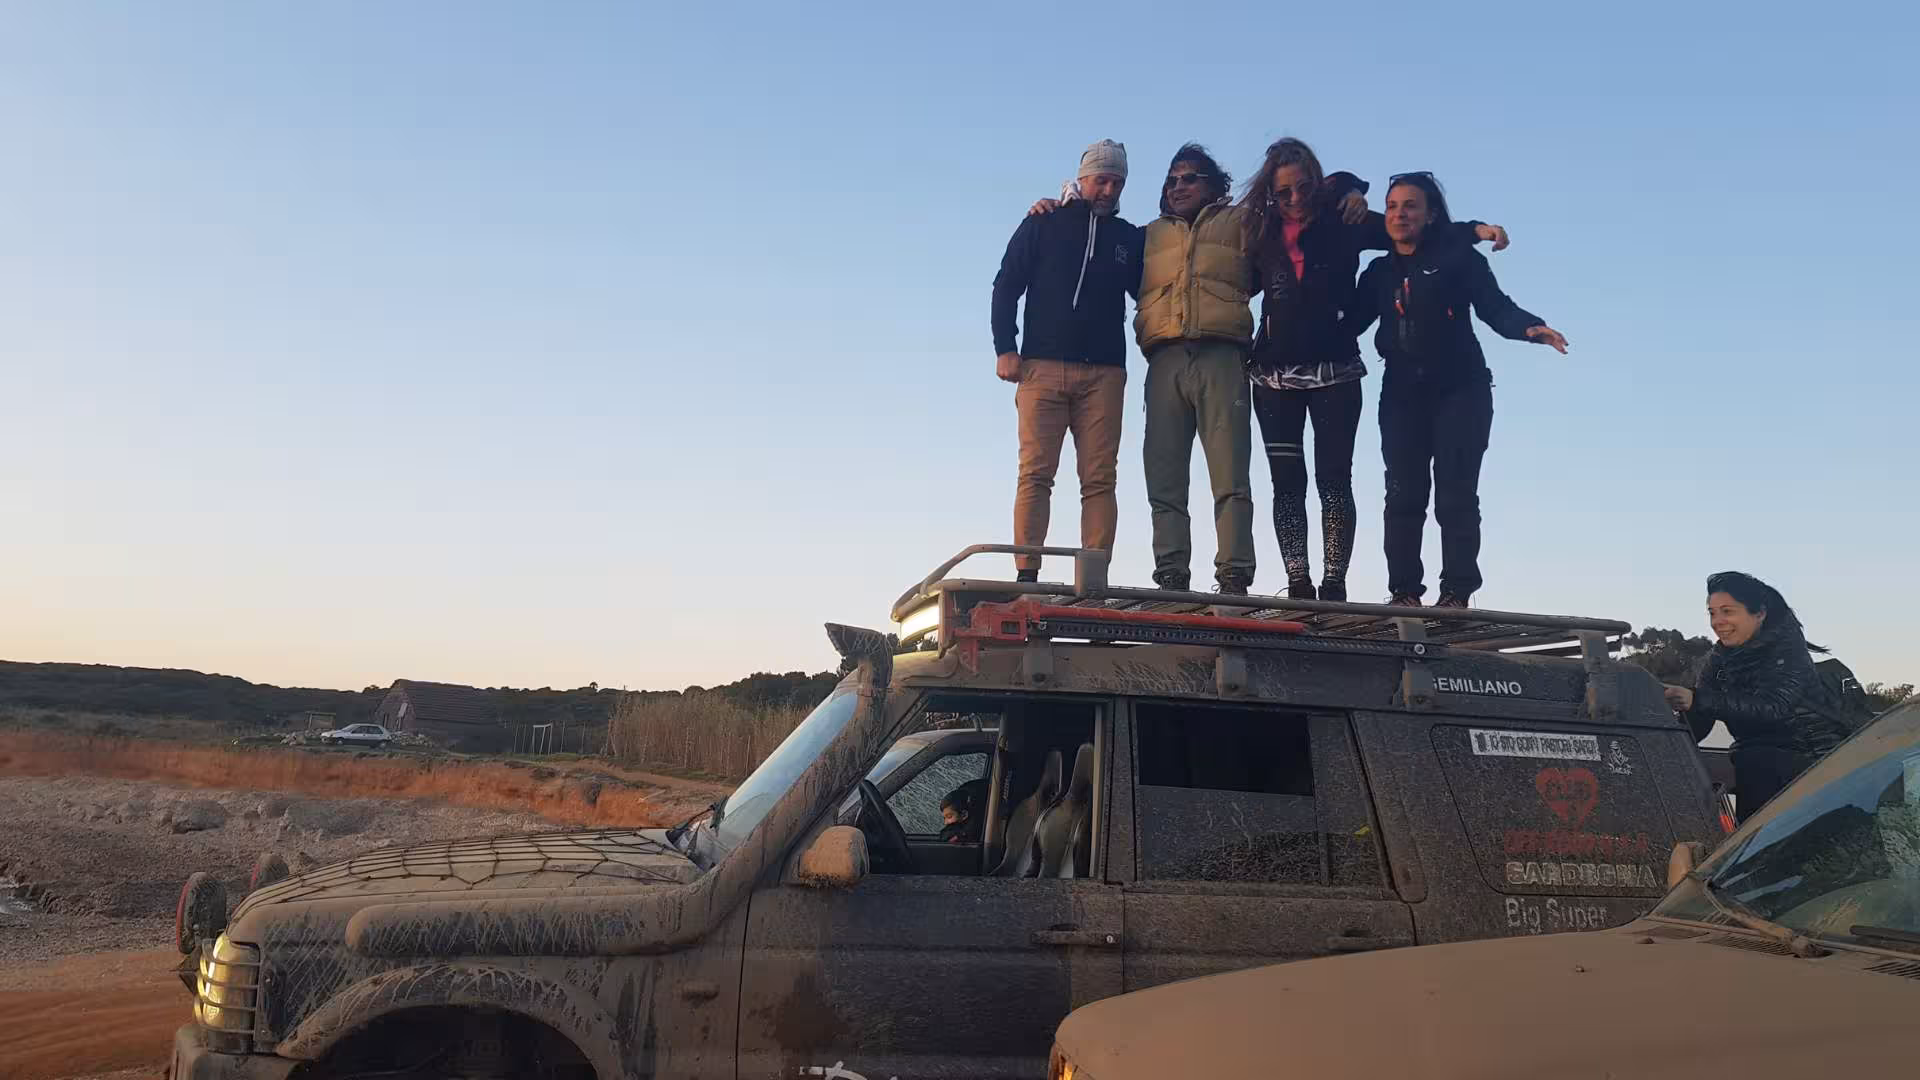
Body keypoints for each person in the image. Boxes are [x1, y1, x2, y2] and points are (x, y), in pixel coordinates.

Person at [1035, 145, 1366, 594]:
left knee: (1230, 475)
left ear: (1214, 184)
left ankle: (1234, 573)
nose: (1179, 186)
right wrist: (1057, 208)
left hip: (1222, 356)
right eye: (1172, 180)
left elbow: (1299, 211)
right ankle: (1171, 573)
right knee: (1164, 476)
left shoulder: (1244, 223)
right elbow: (1095, 246)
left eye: (1190, 178)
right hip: (1165, 359)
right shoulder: (1146, 236)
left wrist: (1348, 191)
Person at [1240, 139, 1509, 601]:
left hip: (1336, 371)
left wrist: (1476, 230)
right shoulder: (1260, 230)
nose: (1296, 199)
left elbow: (1412, 231)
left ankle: (1334, 585)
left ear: (1317, 183)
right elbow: (1235, 282)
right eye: (1283, 193)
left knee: (1333, 481)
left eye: (1304, 188)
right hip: (1273, 375)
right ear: (1270, 193)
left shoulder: (1345, 221)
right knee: (1286, 485)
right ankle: (1298, 582)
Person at [1347, 172, 1568, 608]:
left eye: (1410, 205)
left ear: (1431, 215)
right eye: (1392, 206)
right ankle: (1404, 593)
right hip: (1401, 393)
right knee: (1403, 494)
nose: (1399, 214)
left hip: (1461, 389)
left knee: (1455, 494)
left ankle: (1456, 593)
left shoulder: (1459, 259)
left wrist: (1530, 328)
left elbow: (1495, 307)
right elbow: (1347, 323)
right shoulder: (1377, 273)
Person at [991, 140, 1138, 583]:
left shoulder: (1129, 237)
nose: (1108, 190)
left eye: (1117, 182)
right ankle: (1027, 575)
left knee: (1099, 479)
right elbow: (1006, 284)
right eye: (1101, 180)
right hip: (1041, 367)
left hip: (1104, 373)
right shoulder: (1043, 221)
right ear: (1083, 177)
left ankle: (1093, 580)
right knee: (1036, 473)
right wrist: (1005, 347)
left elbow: (1151, 288)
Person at [1664, 572, 1844, 822]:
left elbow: (1773, 707)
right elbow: (1701, 716)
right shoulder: (1720, 658)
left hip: (1809, 764)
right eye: (1712, 613)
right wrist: (1666, 734)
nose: (1717, 621)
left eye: (1727, 611)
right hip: (1756, 763)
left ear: (1759, 614)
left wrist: (1698, 700)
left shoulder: (1787, 650)